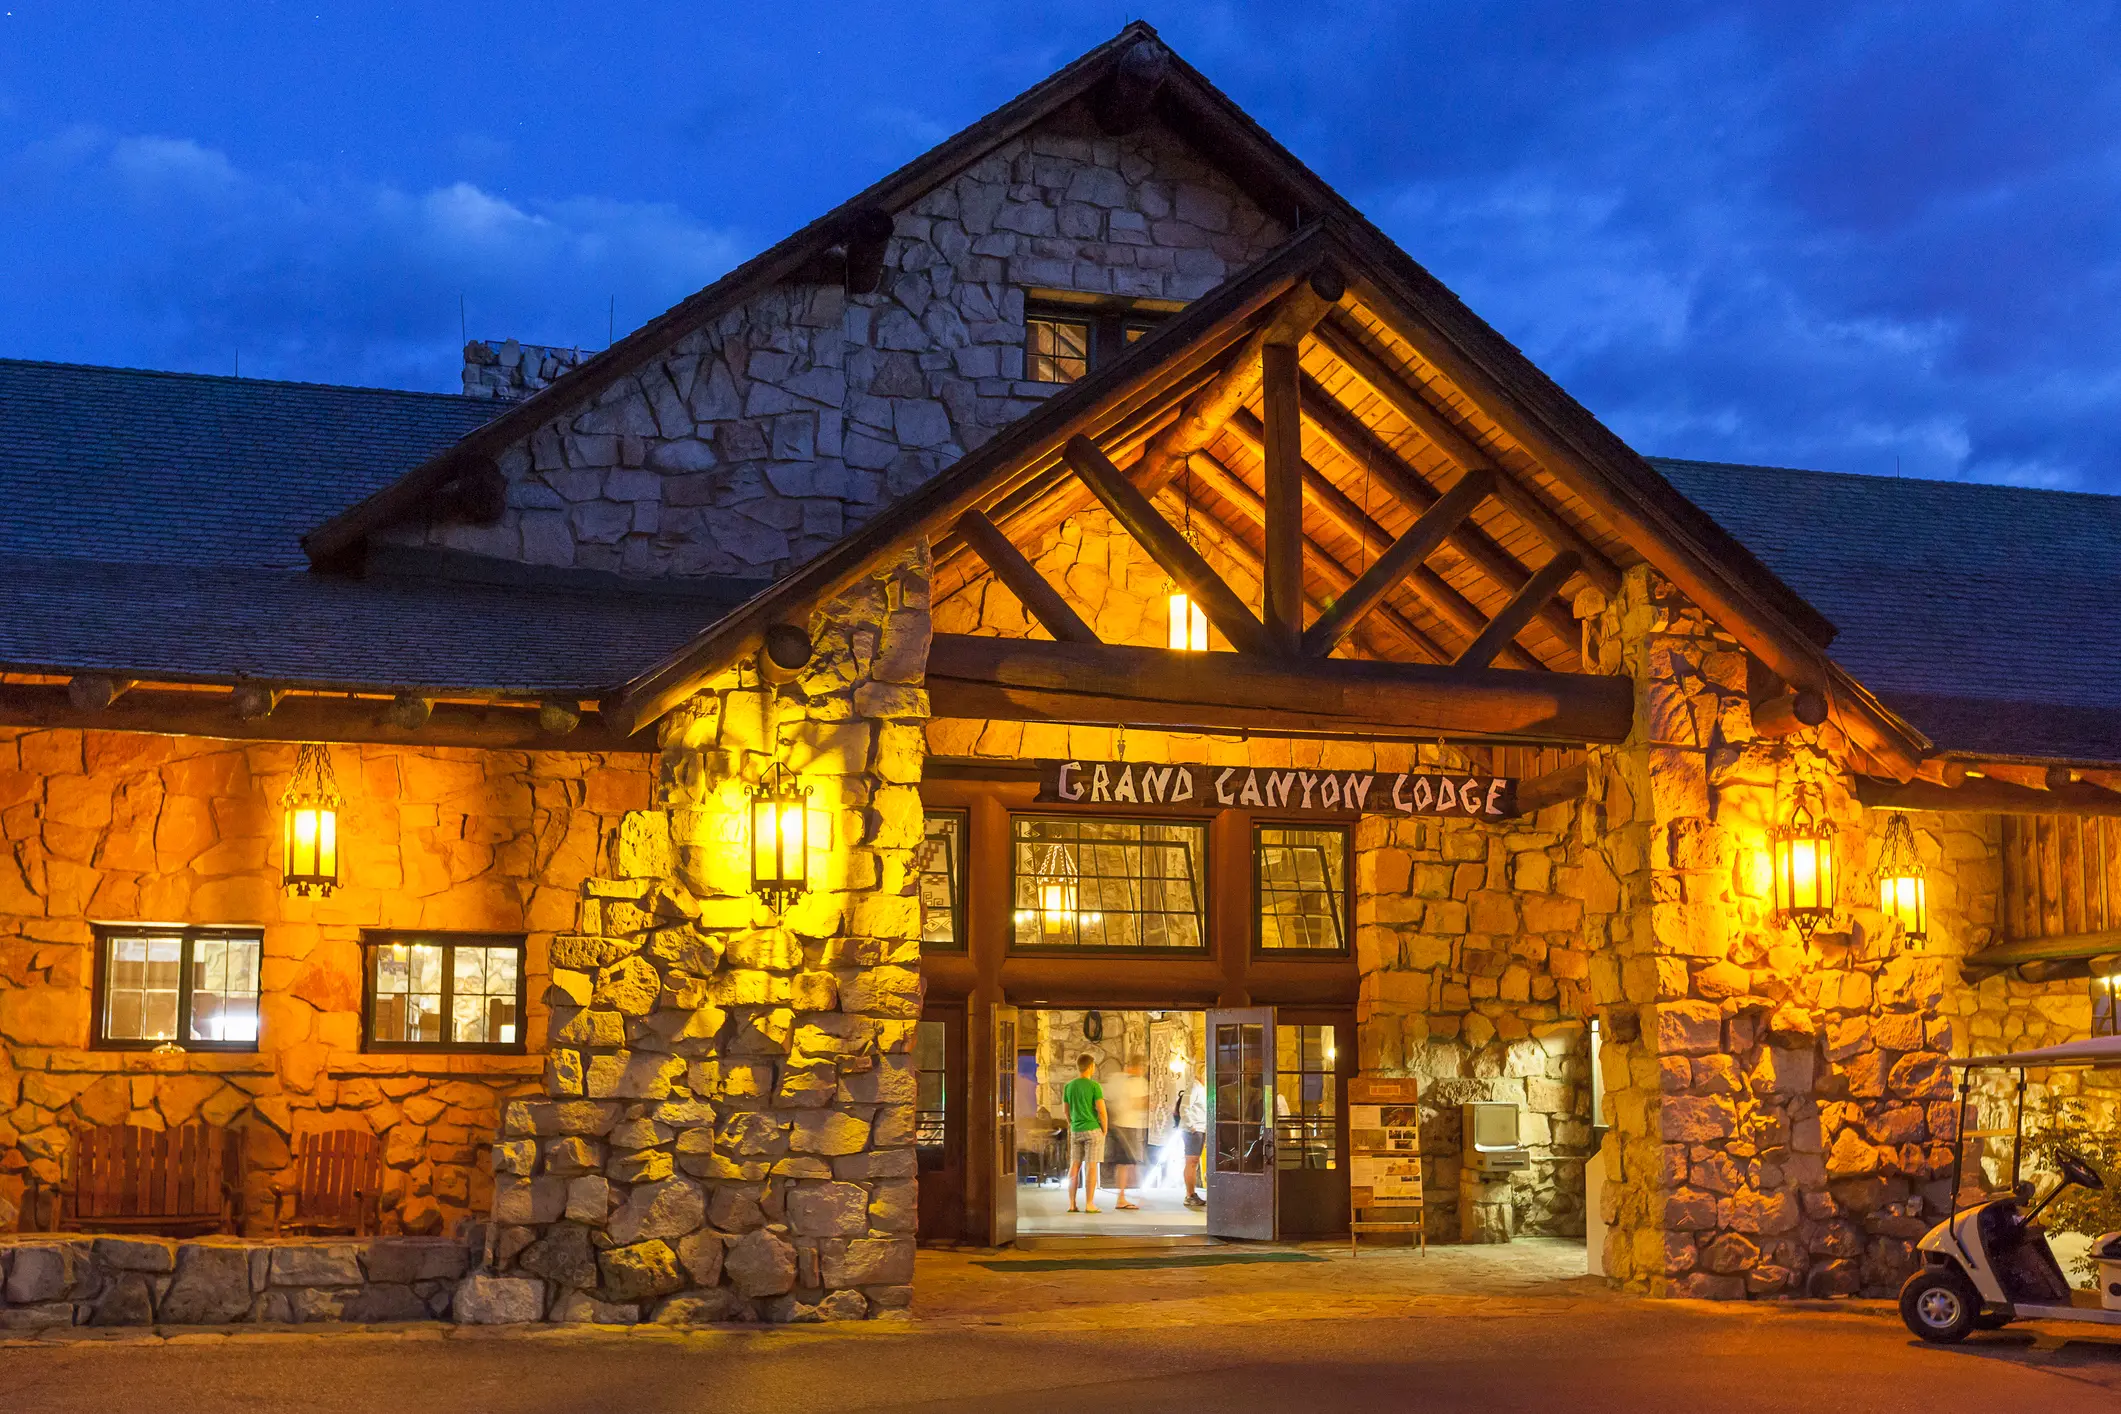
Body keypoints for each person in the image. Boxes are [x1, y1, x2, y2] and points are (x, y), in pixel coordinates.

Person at [1062, 1053, 1107, 1214]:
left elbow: (1066, 1111)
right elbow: (1101, 1111)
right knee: (1091, 1165)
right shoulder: (1094, 1086)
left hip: (1076, 1129)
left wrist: (1072, 1124)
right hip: (1092, 1129)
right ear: (1091, 1067)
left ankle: (1072, 1204)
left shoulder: (1068, 1086)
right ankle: (1089, 1203)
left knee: (1074, 1165)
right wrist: (1104, 1129)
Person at [1106, 1053, 1151, 1210]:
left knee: (1126, 1163)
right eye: (1143, 1066)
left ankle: (1127, 1195)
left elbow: (1109, 1098)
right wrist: (1148, 1101)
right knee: (1130, 1162)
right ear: (1138, 1066)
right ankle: (1126, 1197)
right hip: (1129, 1126)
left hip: (1121, 1124)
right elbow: (1138, 1103)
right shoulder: (1137, 1082)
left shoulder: (1117, 1079)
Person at [1180, 1070, 1208, 1208]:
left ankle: (1191, 1194)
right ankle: (1189, 1194)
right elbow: (1184, 1108)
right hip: (1194, 1130)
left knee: (1194, 1162)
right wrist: (1192, 1127)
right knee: (1191, 1161)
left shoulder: (1202, 1088)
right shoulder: (1194, 1087)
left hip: (1200, 1129)